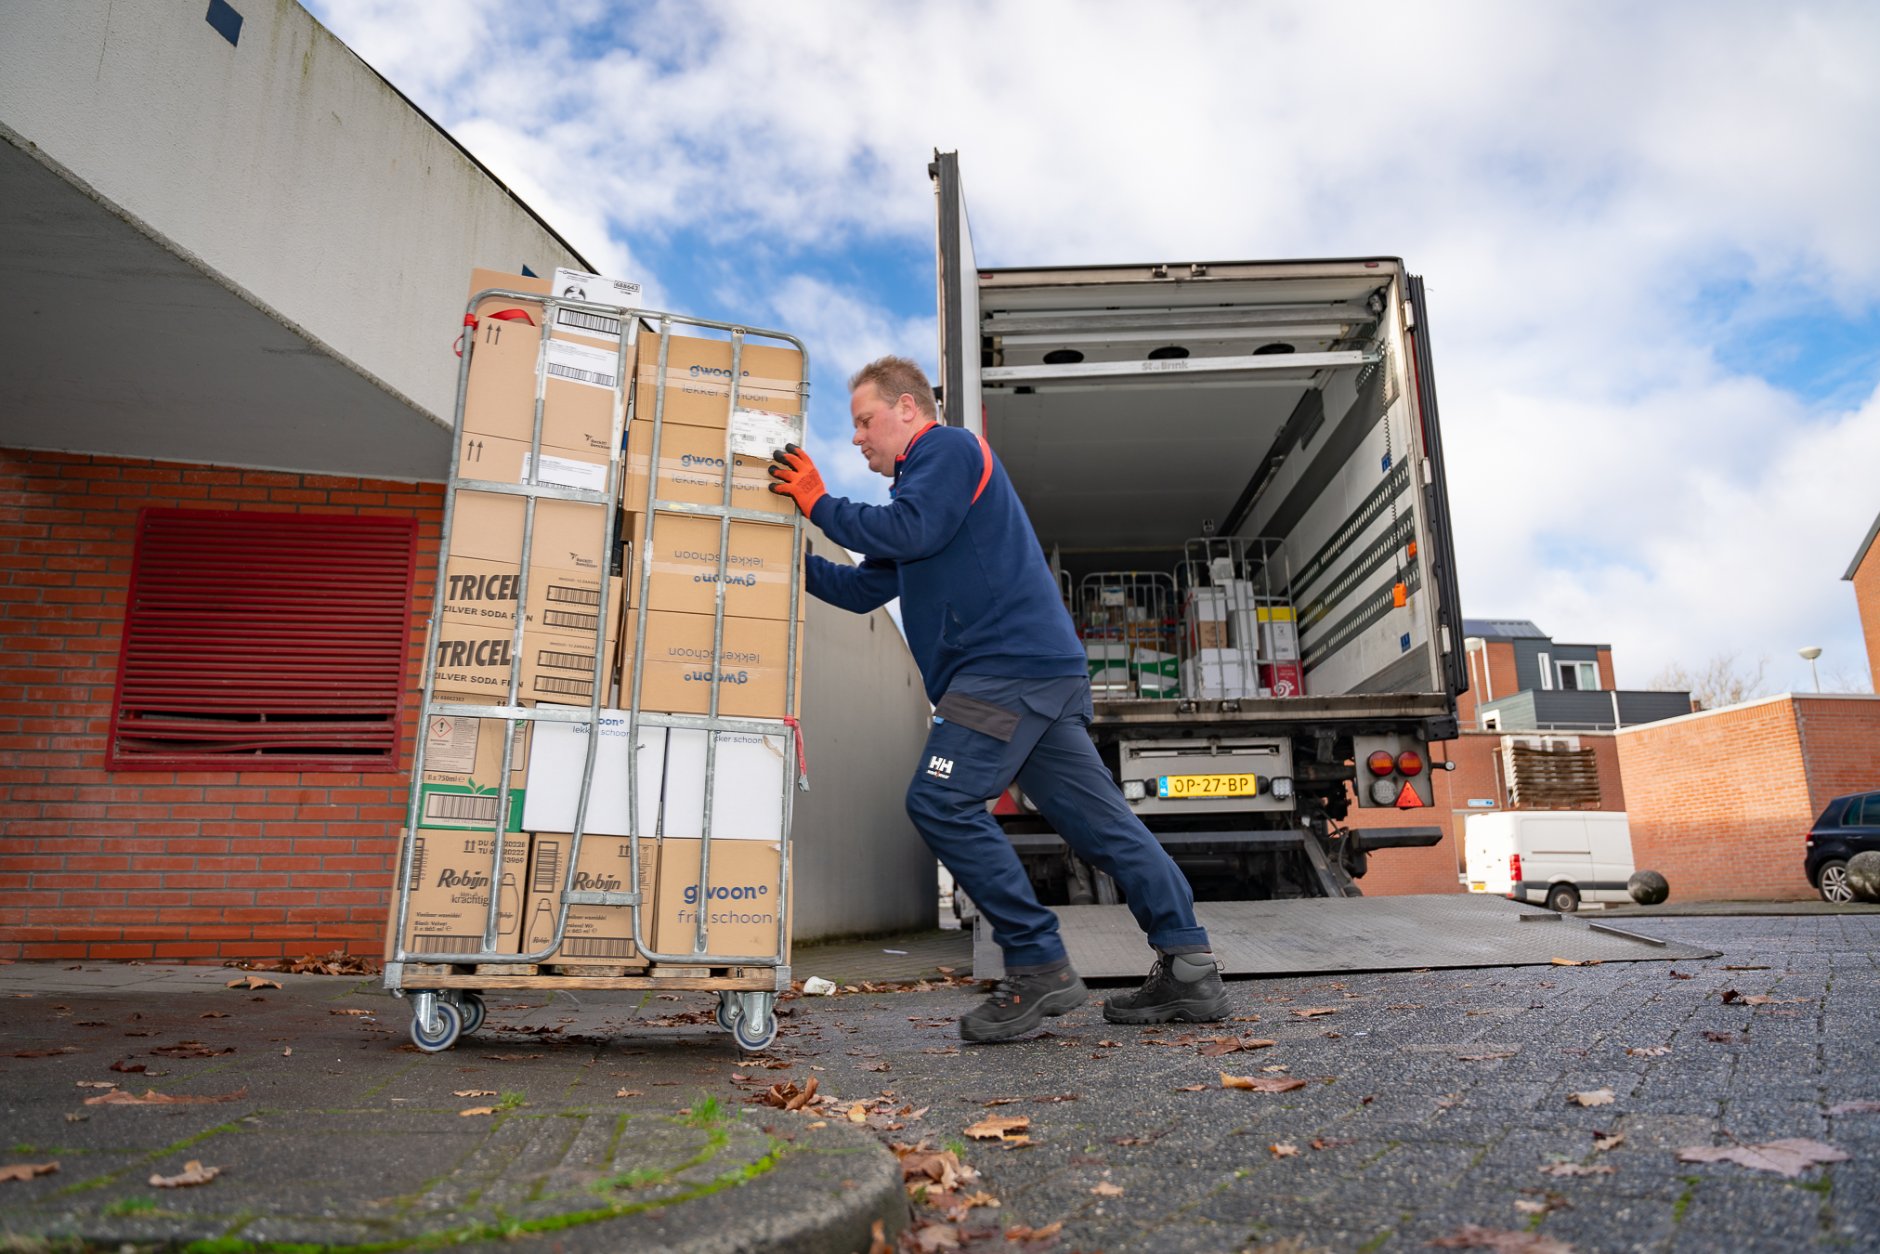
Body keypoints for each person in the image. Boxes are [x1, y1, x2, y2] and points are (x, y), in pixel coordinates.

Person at [766, 355, 1230, 1043]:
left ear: (908, 411)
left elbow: (908, 532)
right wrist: (778, 560)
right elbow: (865, 587)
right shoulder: (920, 499)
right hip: (1034, 677)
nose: (858, 437)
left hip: (1003, 674)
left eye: (865, 421)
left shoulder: (945, 451)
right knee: (1102, 829)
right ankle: (1190, 965)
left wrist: (818, 502)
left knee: (939, 799)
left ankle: (1038, 963)